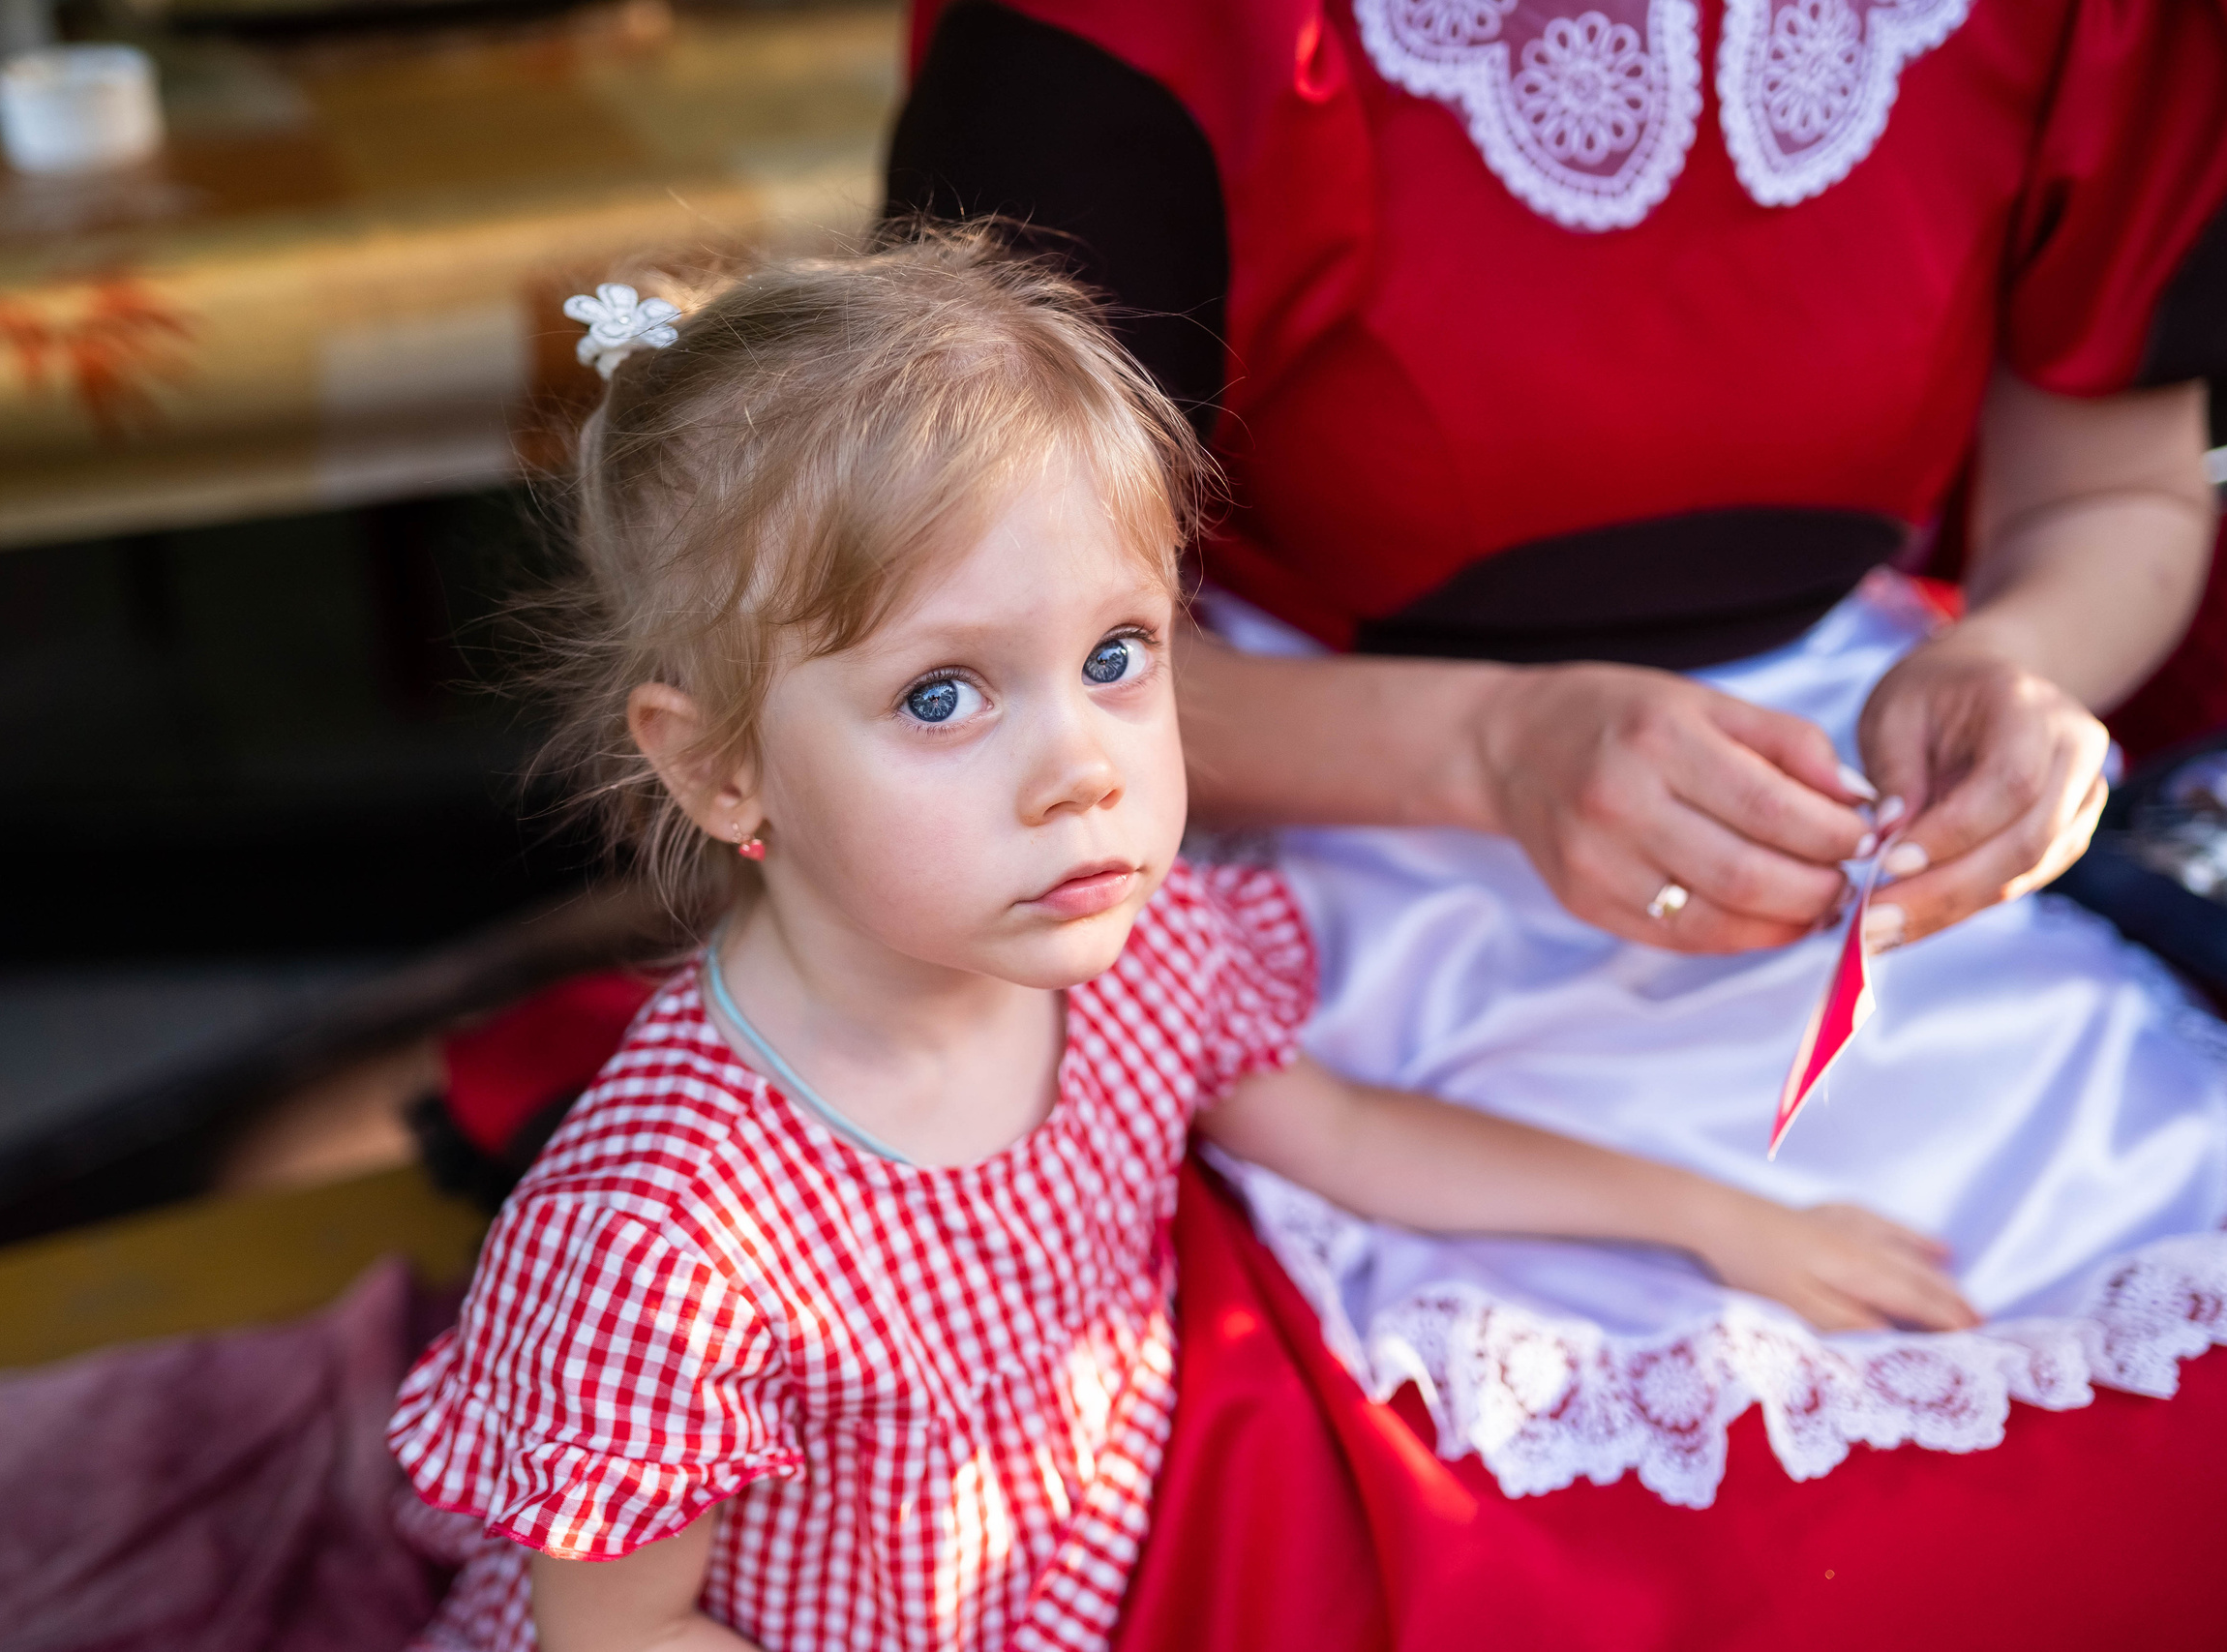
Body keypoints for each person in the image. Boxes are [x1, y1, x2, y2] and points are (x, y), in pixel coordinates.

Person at [383, 232, 1979, 1652]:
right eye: (942, 694)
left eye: (1116, 654)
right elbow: (623, 1631)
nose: (1084, 767)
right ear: (721, 768)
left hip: (1112, 1573)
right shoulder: (663, 1238)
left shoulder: (1132, 962)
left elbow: (1345, 1135)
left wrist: (1713, 1219)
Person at [884, 0, 2227, 1551]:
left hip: (1890, 835)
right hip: (1296, 811)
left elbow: (2110, 496)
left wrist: (2020, 666)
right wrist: (1492, 750)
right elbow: (966, 662)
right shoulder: (1153, 35)